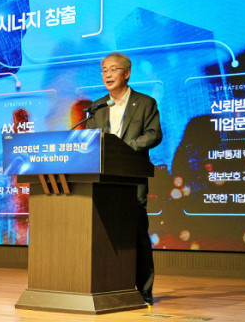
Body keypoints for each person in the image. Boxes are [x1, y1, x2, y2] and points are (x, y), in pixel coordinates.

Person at [85, 52, 162, 305]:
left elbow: (154, 135)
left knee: (136, 232)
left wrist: (124, 147)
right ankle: (109, 286)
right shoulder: (96, 107)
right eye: (104, 70)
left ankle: (145, 290)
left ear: (127, 73)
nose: (107, 74)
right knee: (104, 233)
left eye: (113, 69)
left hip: (132, 177)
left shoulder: (145, 103)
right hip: (103, 180)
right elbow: (89, 141)